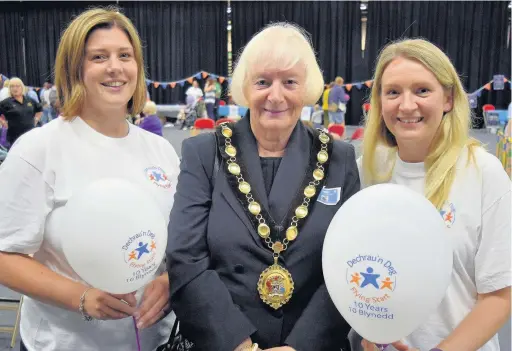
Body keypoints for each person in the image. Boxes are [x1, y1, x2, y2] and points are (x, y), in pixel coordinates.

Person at [167, 22, 360, 351]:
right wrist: (240, 345)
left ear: (307, 87)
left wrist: (300, 346)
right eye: (262, 82)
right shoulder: (203, 152)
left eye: (289, 82)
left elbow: (350, 265)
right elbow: (185, 257)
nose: (275, 95)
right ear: (245, 88)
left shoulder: (339, 157)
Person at [0, 7, 179, 351]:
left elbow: (178, 242)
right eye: (99, 56)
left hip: (154, 342)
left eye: (124, 55)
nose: (115, 66)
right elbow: (5, 256)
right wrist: (81, 298)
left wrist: (172, 279)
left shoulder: (161, 151)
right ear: (75, 69)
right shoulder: (39, 149)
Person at [354, 39, 511, 351]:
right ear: (379, 101)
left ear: (448, 99)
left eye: (422, 90)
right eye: (393, 92)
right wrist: (366, 333)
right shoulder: (366, 171)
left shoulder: (483, 173)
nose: (407, 105)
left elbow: (499, 295)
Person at [0, 77, 42, 147]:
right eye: (12, 86)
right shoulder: (5, 102)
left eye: (17, 86)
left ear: (22, 87)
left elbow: (39, 109)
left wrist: (36, 119)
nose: (15, 88)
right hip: (15, 137)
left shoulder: (30, 100)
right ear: (9, 89)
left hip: (30, 135)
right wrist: (3, 122)